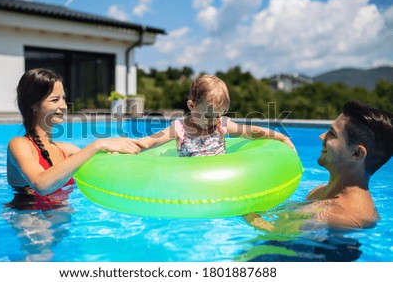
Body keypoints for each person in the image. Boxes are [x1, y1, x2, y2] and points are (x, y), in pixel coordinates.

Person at [245, 100, 393, 231]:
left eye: (332, 134)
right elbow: (283, 216)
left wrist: (246, 208)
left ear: (356, 154)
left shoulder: (344, 216)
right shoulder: (321, 193)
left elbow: (276, 234)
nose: (321, 136)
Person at [7, 68, 143, 209]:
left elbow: (113, 160)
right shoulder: (19, 145)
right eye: (55, 100)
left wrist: (163, 136)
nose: (64, 106)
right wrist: (97, 145)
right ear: (34, 105)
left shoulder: (66, 150)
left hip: (61, 219)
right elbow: (42, 185)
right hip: (28, 217)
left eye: (64, 98)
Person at [137, 74, 296, 156]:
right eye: (207, 116)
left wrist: (282, 138)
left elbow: (253, 131)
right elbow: (150, 141)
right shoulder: (179, 128)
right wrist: (130, 148)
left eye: (218, 116)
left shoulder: (222, 125)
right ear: (192, 106)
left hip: (219, 183)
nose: (213, 121)